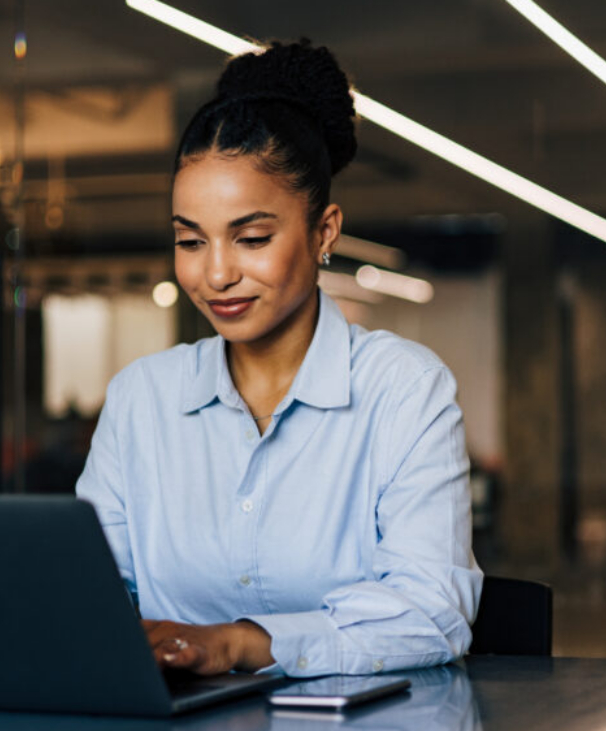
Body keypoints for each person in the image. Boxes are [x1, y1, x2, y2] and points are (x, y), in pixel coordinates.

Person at [75, 40, 482, 678]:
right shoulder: (142, 399)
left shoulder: (404, 390)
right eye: (189, 240)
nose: (215, 274)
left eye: (253, 238)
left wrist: (236, 643)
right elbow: (86, 596)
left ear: (324, 233)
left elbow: (431, 610)